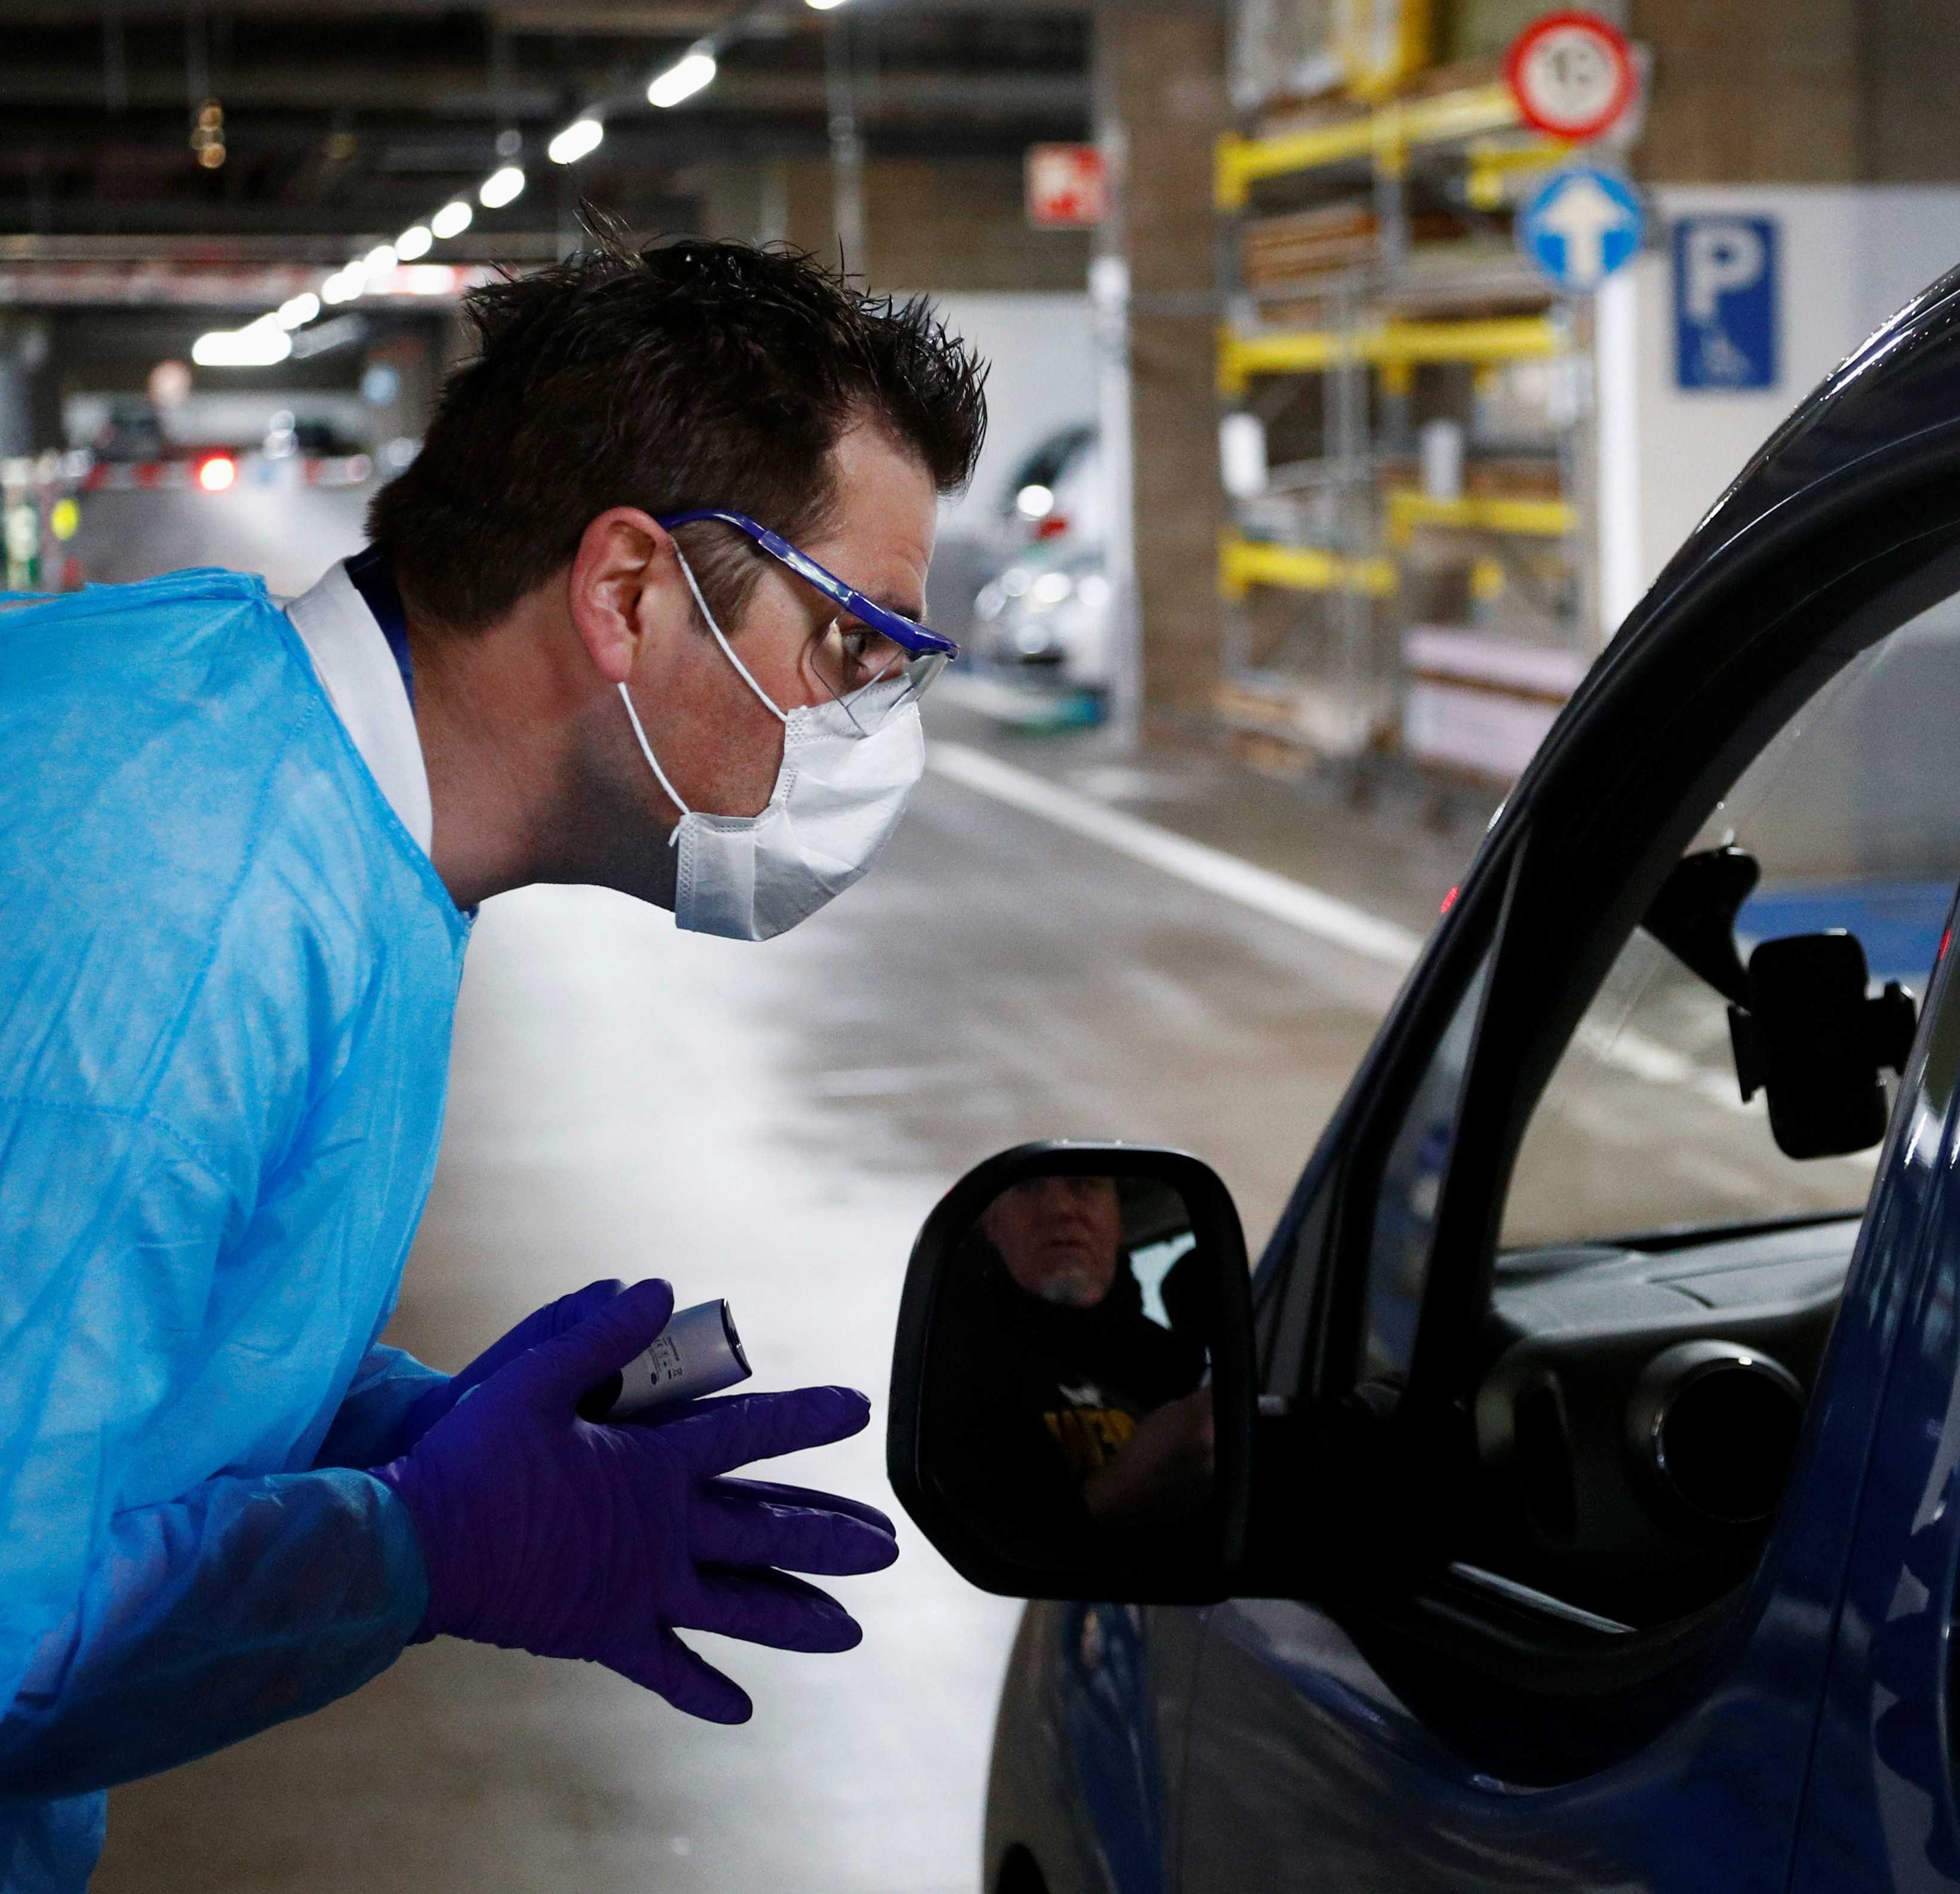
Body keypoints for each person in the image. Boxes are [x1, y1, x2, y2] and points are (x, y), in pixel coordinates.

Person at [0, 232, 988, 1890]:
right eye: (847, 650)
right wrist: (423, 1540)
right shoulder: (194, 911)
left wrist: (405, 1427)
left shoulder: (256, 748)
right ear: (626, 592)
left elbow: (89, 1336)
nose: (870, 731)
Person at [927, 1176, 1216, 1566]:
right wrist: (1125, 1484)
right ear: (992, 1224)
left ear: (1118, 1220)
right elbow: (997, 1551)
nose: (1061, 1209)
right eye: (1029, 1188)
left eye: (1085, 1185)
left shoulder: (1181, 1369)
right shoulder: (958, 1369)